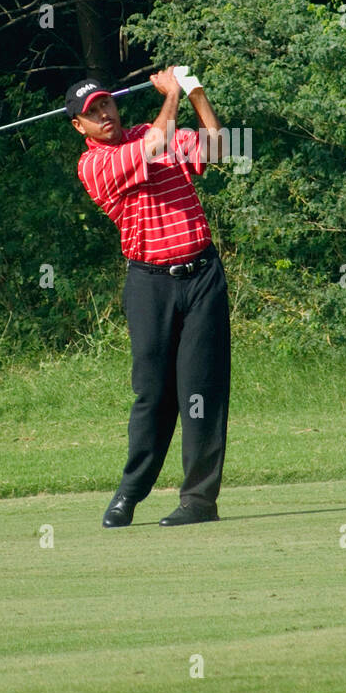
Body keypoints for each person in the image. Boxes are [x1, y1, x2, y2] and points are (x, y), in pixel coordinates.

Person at [67, 66, 230, 527]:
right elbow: (155, 146)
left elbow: (219, 148)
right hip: (150, 284)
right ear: (79, 127)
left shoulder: (152, 131)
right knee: (153, 394)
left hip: (201, 276)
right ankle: (130, 492)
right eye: (91, 112)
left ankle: (199, 502)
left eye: (105, 104)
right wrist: (173, 94)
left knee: (201, 391)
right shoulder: (94, 165)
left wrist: (196, 90)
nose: (103, 114)